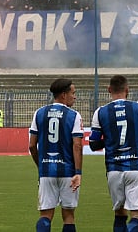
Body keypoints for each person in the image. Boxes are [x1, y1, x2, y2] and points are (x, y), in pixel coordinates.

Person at [89, 75, 138, 232]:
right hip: (136, 167)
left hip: (114, 170)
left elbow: (93, 144)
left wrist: (110, 141)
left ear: (109, 90)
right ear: (127, 90)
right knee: (137, 214)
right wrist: (134, 140)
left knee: (119, 214)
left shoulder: (100, 112)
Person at [29, 78, 83, 232]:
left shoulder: (39, 113)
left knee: (45, 215)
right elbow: (77, 145)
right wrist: (78, 172)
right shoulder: (74, 115)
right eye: (73, 93)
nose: (75, 96)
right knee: (69, 216)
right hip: (68, 172)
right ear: (64, 95)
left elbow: (32, 145)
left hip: (46, 171)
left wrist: (41, 165)